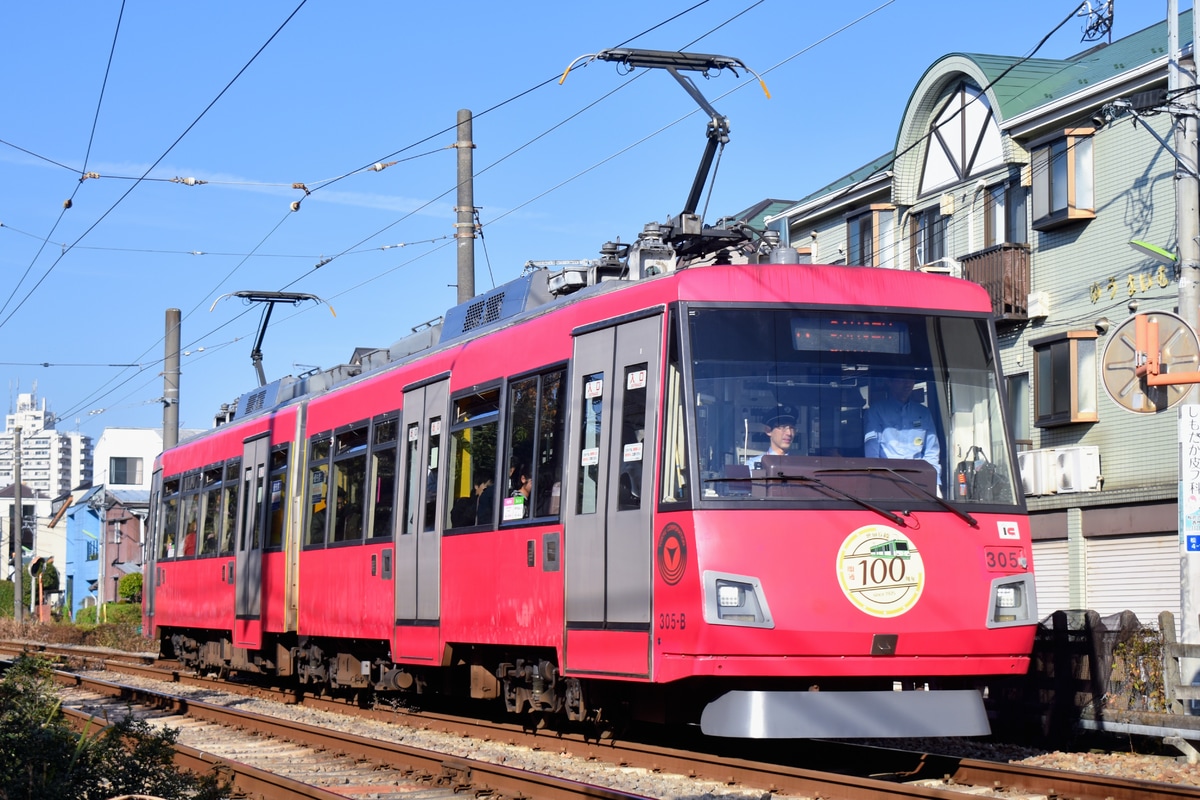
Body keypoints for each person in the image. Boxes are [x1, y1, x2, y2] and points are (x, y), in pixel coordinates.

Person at [864, 373, 941, 483]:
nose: (907, 384)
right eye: (901, 379)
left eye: (911, 379)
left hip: (919, 477)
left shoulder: (923, 412)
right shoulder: (876, 411)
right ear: (889, 382)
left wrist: (935, 481)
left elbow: (932, 451)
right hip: (887, 477)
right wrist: (875, 480)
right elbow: (872, 452)